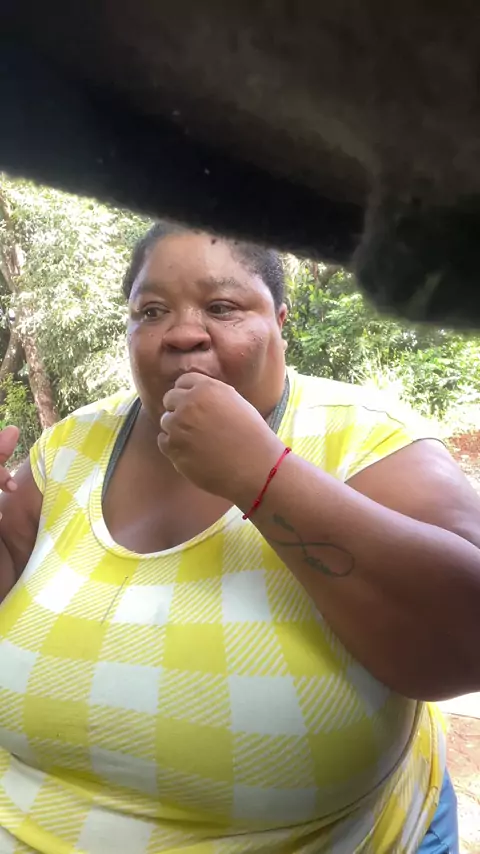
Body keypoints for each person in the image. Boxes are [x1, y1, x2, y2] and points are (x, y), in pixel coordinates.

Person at [0, 223, 477, 854]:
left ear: (280, 319)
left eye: (222, 306)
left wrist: (261, 476)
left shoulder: (367, 434)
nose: (183, 332)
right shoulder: (72, 442)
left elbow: (465, 641)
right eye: (151, 310)